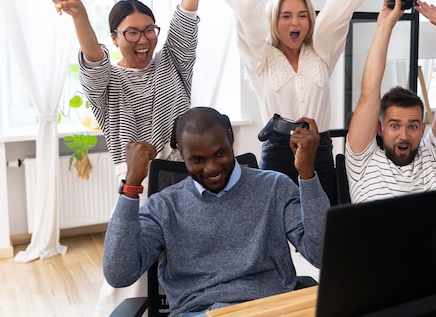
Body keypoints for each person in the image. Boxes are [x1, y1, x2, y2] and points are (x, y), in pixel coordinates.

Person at [37, 0, 227, 314]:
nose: (143, 40)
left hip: (188, 176)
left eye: (149, 30)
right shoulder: (108, 83)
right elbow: (92, 56)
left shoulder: (172, 60)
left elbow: (188, 8)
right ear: (115, 37)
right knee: (130, 279)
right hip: (137, 185)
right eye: (131, 33)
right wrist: (80, 14)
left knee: (197, 268)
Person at [204, 0, 386, 205]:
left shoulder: (321, 52)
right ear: (274, 20)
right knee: (276, 228)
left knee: (322, 225)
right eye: (286, 16)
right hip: (278, 153)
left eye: (303, 15)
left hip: (320, 150)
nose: (295, 23)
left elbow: (339, 8)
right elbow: (248, 11)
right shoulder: (261, 57)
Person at [103, 107, 330, 317]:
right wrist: (130, 186)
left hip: (270, 308)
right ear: (181, 153)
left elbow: (322, 255)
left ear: (230, 138)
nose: (211, 168)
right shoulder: (164, 206)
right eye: (197, 160)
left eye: (220, 154)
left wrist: (307, 174)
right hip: (199, 312)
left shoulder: (275, 187)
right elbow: (119, 273)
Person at [345, 0, 436, 203]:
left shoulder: (432, 159)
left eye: (412, 126)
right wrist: (384, 27)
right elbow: (369, 93)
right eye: (394, 125)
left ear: (423, 129)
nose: (404, 135)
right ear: (380, 128)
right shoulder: (363, 160)